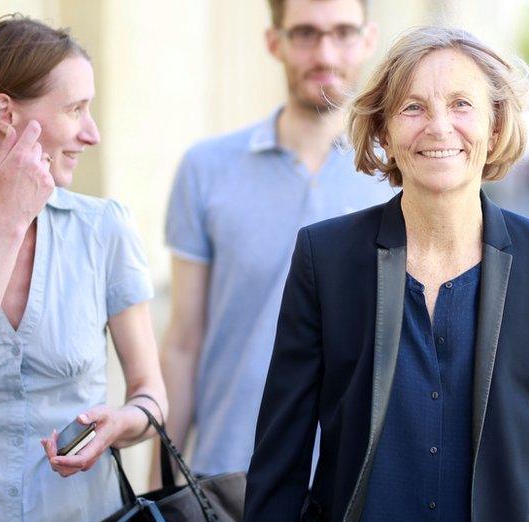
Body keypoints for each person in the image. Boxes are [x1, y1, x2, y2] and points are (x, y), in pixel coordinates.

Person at [241, 26, 529, 522]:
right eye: (413, 107)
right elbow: (281, 456)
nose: (438, 127)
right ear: (384, 129)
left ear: (495, 124)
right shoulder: (327, 257)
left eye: (461, 104)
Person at [0, 15, 166, 522]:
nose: (92, 132)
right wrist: (8, 222)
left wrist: (120, 424)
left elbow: (152, 397)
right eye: (75, 109)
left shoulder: (104, 229)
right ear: (6, 114)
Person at [153, 0, 392, 484]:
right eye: (305, 33)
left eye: (342, 32)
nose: (324, 53)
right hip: (231, 474)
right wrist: (160, 484)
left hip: (366, 482)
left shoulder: (399, 175)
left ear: (368, 40)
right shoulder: (207, 169)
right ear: (273, 42)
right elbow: (182, 341)